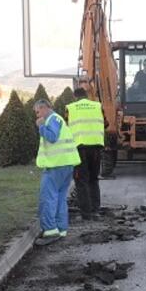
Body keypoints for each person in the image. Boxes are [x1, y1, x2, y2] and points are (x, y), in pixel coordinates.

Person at [34, 99, 80, 238]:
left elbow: (52, 137)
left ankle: (50, 230)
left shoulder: (51, 120)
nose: (37, 116)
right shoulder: (58, 119)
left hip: (55, 166)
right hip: (66, 165)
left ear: (44, 108)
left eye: (37, 111)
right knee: (60, 198)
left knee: (48, 197)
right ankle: (61, 228)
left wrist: (41, 126)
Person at [66, 87, 106, 216]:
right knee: (93, 178)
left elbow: (66, 126)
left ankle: (86, 212)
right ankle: (95, 208)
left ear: (75, 97)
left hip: (79, 148)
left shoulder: (70, 108)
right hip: (96, 147)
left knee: (81, 180)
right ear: (87, 95)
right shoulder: (97, 106)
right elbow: (106, 123)